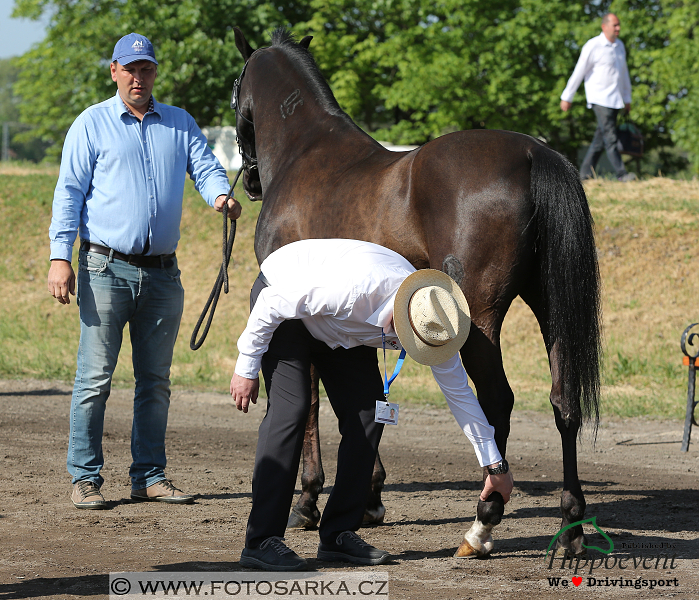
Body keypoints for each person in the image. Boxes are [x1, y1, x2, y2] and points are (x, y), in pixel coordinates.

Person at [230, 239, 514, 571]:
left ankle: (338, 533)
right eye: (408, 339)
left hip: (340, 328)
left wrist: (495, 466)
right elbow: (271, 302)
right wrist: (246, 366)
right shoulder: (357, 290)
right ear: (399, 313)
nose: (410, 348)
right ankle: (261, 540)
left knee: (368, 412)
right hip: (286, 302)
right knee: (291, 410)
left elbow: (460, 394)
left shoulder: (436, 318)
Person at [48, 33, 242, 510]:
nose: (139, 77)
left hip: (161, 274)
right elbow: (69, 191)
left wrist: (220, 195)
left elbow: (205, 166)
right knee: (95, 378)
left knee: (155, 381)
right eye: (130, 69)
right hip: (104, 267)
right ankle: (85, 477)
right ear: (114, 70)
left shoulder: (178, 123)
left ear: (155, 73)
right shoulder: (91, 124)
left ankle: (150, 476)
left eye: (147, 69)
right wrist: (59, 256)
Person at [560, 13, 636, 182]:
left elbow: (623, 74)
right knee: (610, 137)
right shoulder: (593, 46)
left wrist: (627, 97)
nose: (618, 28)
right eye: (615, 25)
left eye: (618, 25)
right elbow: (579, 71)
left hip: (615, 99)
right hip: (599, 98)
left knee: (600, 140)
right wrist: (567, 96)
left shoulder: (620, 46)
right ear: (604, 27)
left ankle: (584, 175)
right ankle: (622, 174)